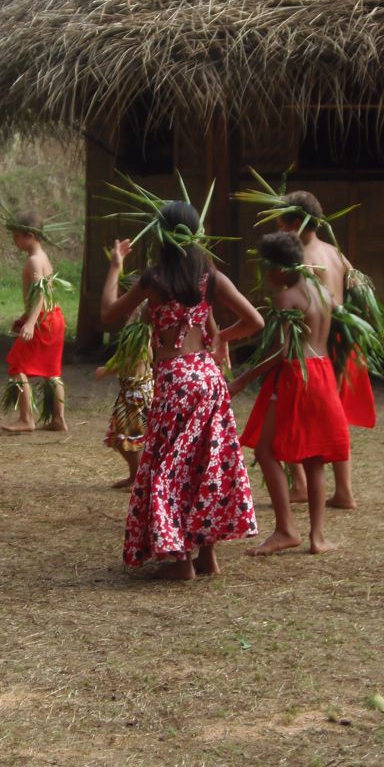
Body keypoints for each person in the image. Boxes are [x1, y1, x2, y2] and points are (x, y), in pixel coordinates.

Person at [100, 201, 264, 580]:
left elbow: (109, 313)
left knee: (169, 466)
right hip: (208, 378)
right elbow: (253, 320)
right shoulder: (210, 277)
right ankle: (208, 556)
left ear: (160, 235)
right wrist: (220, 337)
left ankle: (182, 561)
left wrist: (114, 267)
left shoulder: (154, 279)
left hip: (175, 379)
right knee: (206, 464)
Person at [234, 231, 350, 556]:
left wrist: (243, 379)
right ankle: (317, 537)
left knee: (267, 451)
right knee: (315, 460)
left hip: (297, 376)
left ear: (279, 268)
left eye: (266, 268)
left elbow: (281, 353)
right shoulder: (323, 292)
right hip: (323, 373)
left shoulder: (287, 299)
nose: (265, 276)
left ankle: (286, 529)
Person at [275, 190, 368, 510]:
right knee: (334, 414)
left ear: (296, 222)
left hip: (313, 346)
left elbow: (301, 301)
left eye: (282, 222)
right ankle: (342, 489)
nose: (278, 228)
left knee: (297, 411)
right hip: (341, 339)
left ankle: (303, 484)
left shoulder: (302, 259)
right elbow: (357, 293)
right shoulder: (336, 253)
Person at [2, 211, 68, 432]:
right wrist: (25, 317)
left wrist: (31, 323)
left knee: (17, 364)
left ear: (29, 235)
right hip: (54, 317)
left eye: (16, 236)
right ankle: (59, 419)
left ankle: (26, 419)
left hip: (43, 321)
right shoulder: (43, 257)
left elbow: (40, 293)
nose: (14, 240)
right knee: (52, 372)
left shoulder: (33, 261)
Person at [93, 296, 152, 490]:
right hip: (130, 391)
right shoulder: (132, 329)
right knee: (120, 439)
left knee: (129, 440)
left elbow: (133, 360)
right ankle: (135, 475)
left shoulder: (142, 331)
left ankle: (139, 479)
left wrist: (107, 370)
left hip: (136, 393)